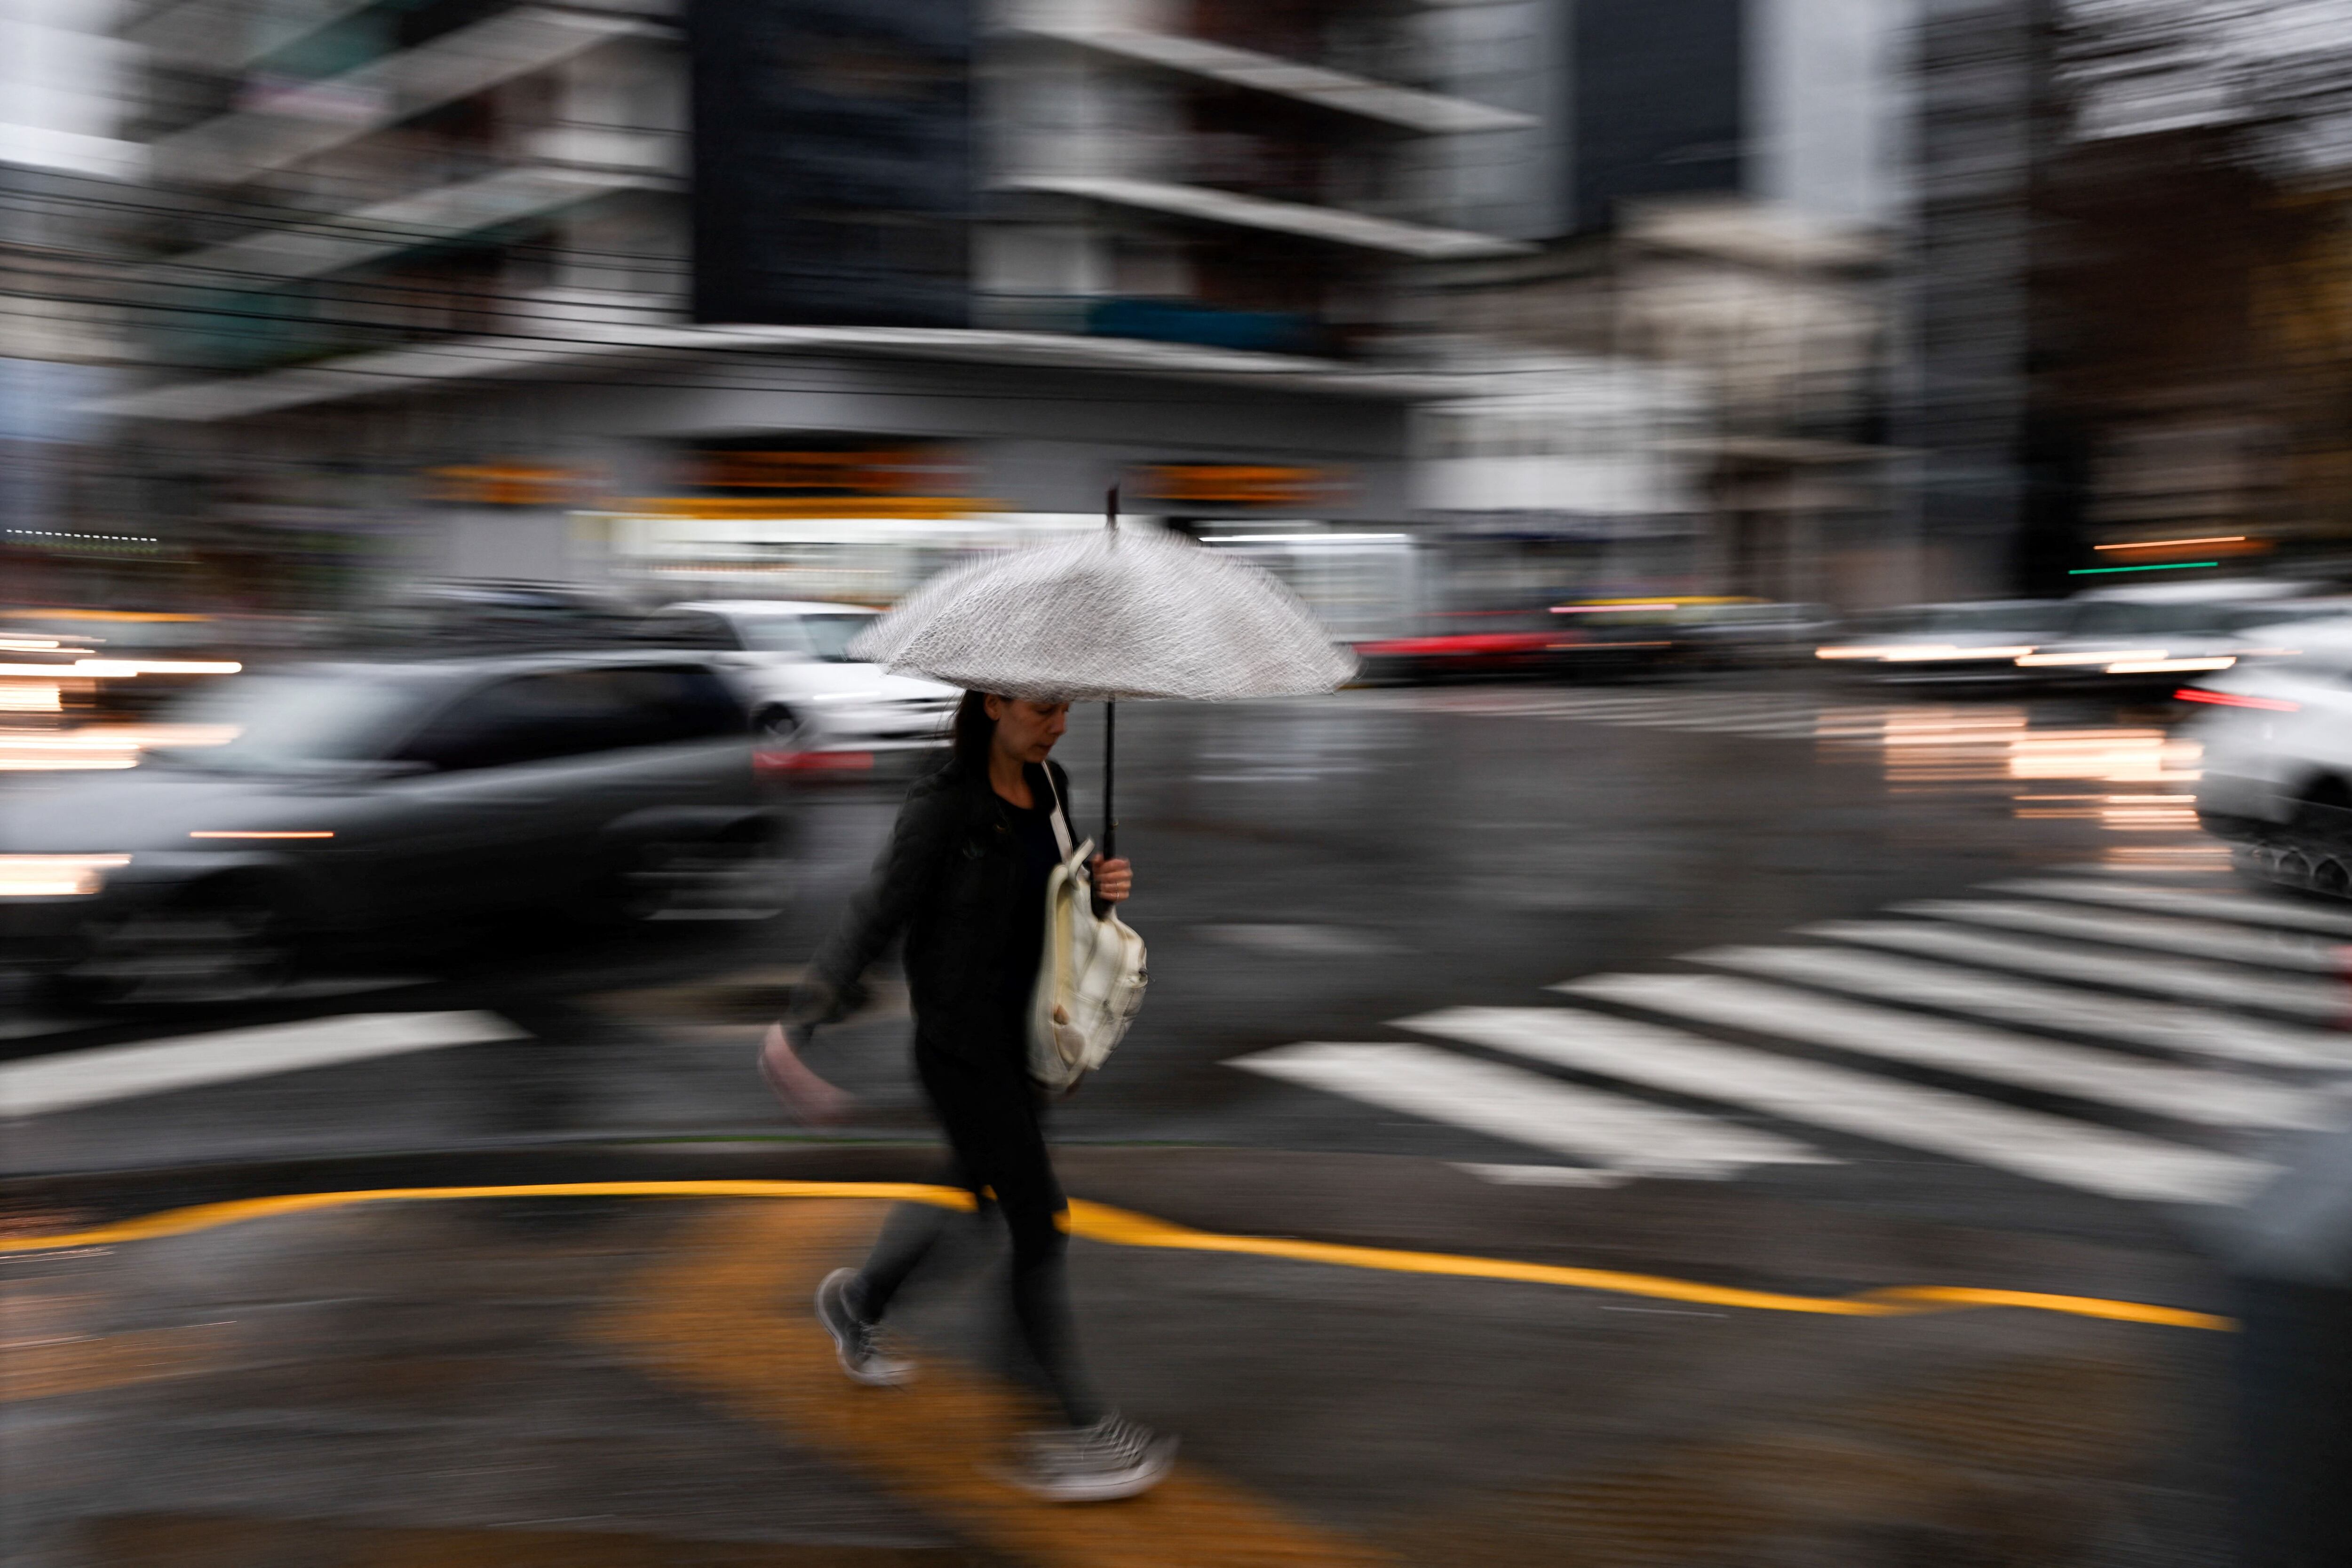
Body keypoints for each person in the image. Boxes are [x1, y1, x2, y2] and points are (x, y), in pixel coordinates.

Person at [758, 689, 1178, 1502]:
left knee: (980, 1196)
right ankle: (1070, 1429)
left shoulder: (1051, 785)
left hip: (1029, 1039)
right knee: (1038, 1223)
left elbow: (1055, 909)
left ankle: (861, 1301)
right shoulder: (943, 806)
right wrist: (802, 1021)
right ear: (993, 702)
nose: (1060, 724)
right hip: (960, 1049)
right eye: (1044, 707)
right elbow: (876, 915)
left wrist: (1101, 891)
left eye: (1066, 708)